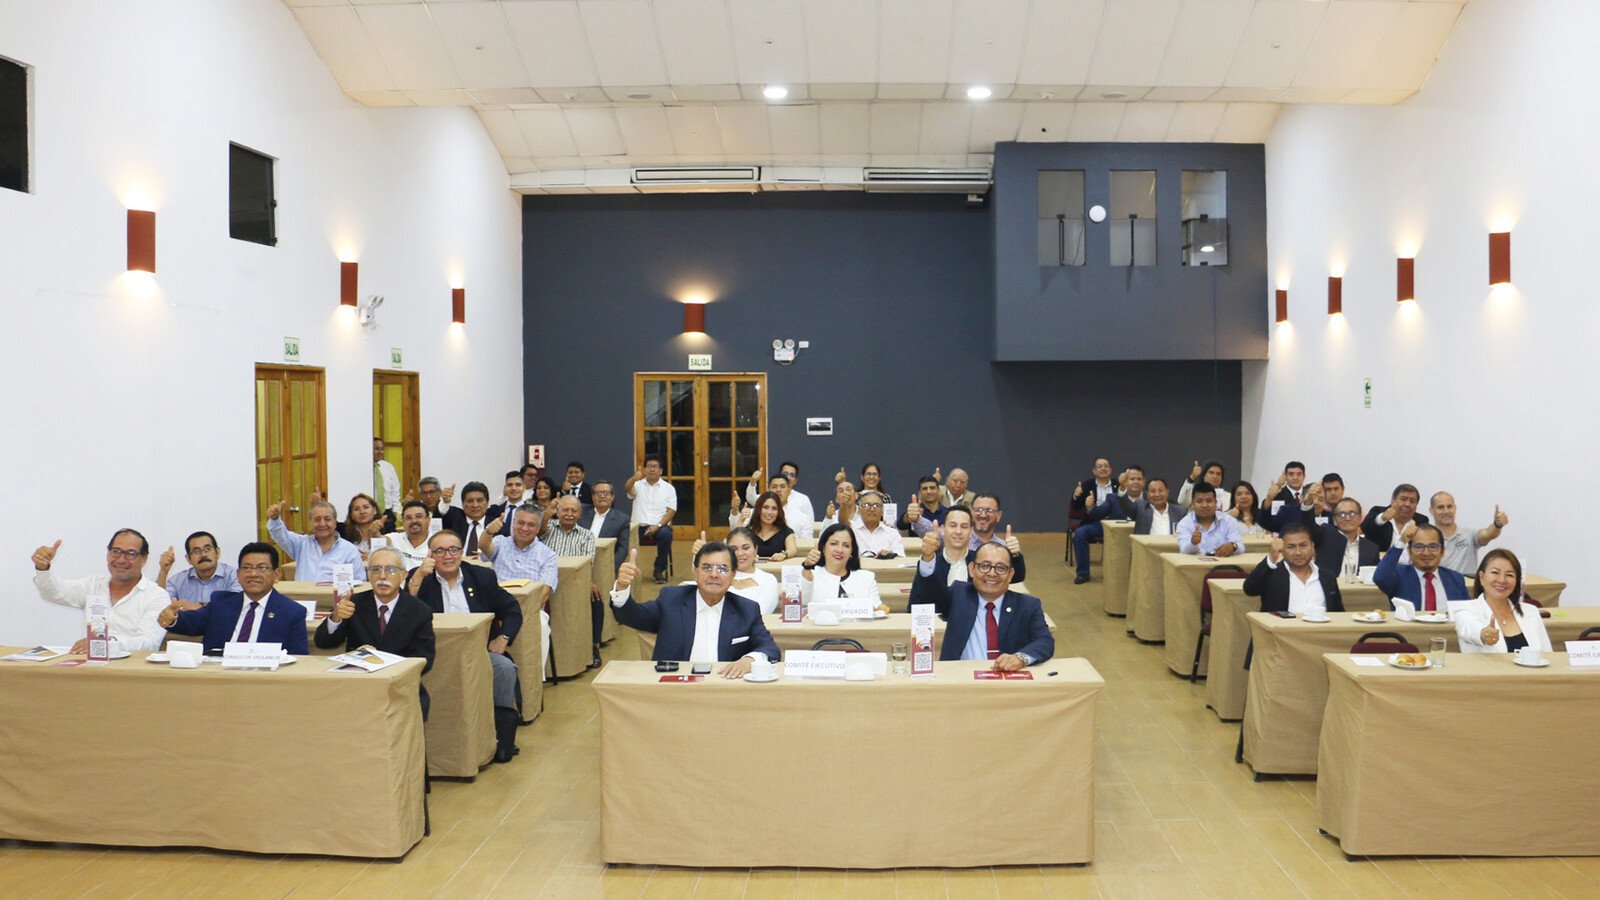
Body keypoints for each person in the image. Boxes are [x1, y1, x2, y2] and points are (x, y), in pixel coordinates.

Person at [411, 530, 524, 763]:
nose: (447, 556)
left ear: (461, 553)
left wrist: (502, 639)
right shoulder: (420, 578)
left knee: (503, 668)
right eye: (440, 551)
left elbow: (512, 609)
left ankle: (501, 736)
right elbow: (404, 611)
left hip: (476, 655)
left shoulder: (481, 577)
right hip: (432, 657)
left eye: (453, 550)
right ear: (430, 555)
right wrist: (418, 578)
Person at [609, 544, 779, 677]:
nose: (714, 574)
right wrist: (622, 588)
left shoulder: (747, 609)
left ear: (733, 575)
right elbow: (632, 616)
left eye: (722, 569)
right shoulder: (671, 600)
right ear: (695, 571)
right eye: (706, 568)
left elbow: (770, 648)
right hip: (674, 689)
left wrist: (750, 659)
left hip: (724, 689)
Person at [314, 546, 436, 717]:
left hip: (400, 689)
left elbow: (424, 659)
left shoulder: (419, 611)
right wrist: (336, 617)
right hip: (357, 687)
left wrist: (379, 663)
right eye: (376, 569)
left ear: (404, 575)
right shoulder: (353, 603)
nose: (383, 576)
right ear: (368, 575)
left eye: (391, 570)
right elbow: (323, 642)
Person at [917, 542, 1053, 669]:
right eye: (985, 566)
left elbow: (1045, 641)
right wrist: (927, 560)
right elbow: (931, 594)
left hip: (1006, 685)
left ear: (1010, 574)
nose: (992, 573)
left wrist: (1020, 658)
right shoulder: (958, 594)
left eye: (1001, 568)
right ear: (972, 569)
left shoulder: (1028, 605)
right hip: (961, 681)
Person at [31, 529, 170, 653]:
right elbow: (55, 593)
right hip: (92, 669)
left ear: (144, 559)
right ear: (108, 554)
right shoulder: (93, 585)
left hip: (131, 674)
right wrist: (42, 568)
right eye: (116, 551)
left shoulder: (157, 595)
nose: (121, 560)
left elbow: (149, 643)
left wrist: (107, 644)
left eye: (131, 554)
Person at [158, 542, 309, 655]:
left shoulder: (292, 612)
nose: (253, 574)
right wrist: (172, 618)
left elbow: (299, 658)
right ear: (238, 574)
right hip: (218, 679)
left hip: (264, 682)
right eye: (247, 568)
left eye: (262, 568)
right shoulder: (221, 603)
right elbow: (193, 622)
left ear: (276, 575)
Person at [481, 505, 558, 669]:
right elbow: (484, 547)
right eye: (520, 523)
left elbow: (544, 592)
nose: (524, 528)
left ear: (538, 528)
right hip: (496, 607)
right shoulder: (501, 542)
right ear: (513, 523)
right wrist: (488, 532)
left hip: (530, 609)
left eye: (531, 525)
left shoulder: (548, 555)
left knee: (542, 625)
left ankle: (535, 679)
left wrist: (518, 614)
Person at [1454, 549, 1550, 654]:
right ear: (1481, 577)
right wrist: (1483, 634)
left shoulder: (1531, 611)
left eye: (1509, 575)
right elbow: (1469, 628)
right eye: (1495, 572)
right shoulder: (1465, 609)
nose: (1502, 580)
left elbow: (1547, 655)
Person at [1241, 524, 1344, 615]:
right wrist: (1272, 558)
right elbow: (1249, 589)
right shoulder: (1272, 574)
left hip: (1321, 634)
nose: (1298, 552)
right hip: (1280, 635)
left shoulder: (1327, 577)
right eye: (1291, 547)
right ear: (1282, 549)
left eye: (1303, 545)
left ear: (1312, 547)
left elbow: (1338, 614)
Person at [1373, 522, 1470, 613]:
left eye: (1433, 547)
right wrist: (1402, 541)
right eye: (1419, 547)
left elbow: (1468, 612)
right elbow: (1379, 577)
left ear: (1442, 551)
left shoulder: (1456, 579)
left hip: (1447, 630)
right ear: (1409, 551)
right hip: (1410, 630)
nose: (1426, 553)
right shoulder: (1399, 575)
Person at [1073, 466, 1146, 583]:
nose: (1136, 482)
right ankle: (1083, 573)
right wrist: (1090, 507)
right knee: (1080, 532)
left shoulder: (1152, 497)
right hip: (1116, 532)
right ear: (1125, 481)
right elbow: (1099, 513)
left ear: (1144, 481)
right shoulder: (1113, 498)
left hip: (1142, 532)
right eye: (1132, 479)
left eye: (1139, 479)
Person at [266, 498, 366, 581]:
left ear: (335, 523)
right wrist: (275, 519)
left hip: (337, 602)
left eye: (327, 519)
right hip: (305, 602)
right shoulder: (301, 544)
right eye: (317, 520)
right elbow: (280, 535)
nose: (322, 524)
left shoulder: (349, 550)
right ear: (311, 523)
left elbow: (360, 581)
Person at [691, 526, 780, 614]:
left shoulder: (767, 580)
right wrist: (701, 556)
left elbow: (761, 612)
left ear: (755, 550)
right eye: (734, 549)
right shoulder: (716, 575)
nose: (740, 553)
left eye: (745, 548)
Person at [907, 506, 977, 615]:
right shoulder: (929, 564)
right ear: (943, 530)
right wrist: (927, 558)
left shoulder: (980, 564)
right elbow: (916, 606)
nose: (958, 531)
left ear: (971, 532)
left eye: (964, 526)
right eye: (953, 526)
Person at [799, 523, 882, 609]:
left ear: (851, 551)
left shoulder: (866, 578)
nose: (839, 550)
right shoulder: (811, 575)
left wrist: (881, 609)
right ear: (823, 548)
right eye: (834, 544)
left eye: (846, 545)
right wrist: (807, 567)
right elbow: (802, 603)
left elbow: (877, 608)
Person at [626, 455, 677, 584]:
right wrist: (633, 478)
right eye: (649, 466)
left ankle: (659, 569)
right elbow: (627, 489)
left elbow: (671, 511)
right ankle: (626, 570)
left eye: (655, 467)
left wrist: (658, 526)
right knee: (622, 535)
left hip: (658, 527)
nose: (652, 469)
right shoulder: (637, 485)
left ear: (661, 471)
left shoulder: (668, 488)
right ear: (644, 469)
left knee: (666, 534)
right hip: (638, 527)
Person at [156, 531, 241, 607]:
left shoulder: (236, 575)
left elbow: (235, 604)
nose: (203, 554)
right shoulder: (177, 581)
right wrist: (163, 571)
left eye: (207, 549)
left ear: (217, 553)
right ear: (188, 559)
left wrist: (198, 606)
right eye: (196, 551)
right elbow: (160, 605)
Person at [1431, 492, 1508, 574]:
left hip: (1467, 586)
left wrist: (1497, 525)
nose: (1446, 511)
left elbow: (1488, 534)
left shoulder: (1469, 533)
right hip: (1440, 586)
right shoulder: (1428, 539)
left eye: (1449, 506)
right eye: (1440, 507)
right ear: (1431, 511)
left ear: (1455, 508)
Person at [1310, 497, 1381, 577]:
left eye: (1352, 514)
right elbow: (1308, 525)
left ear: (1360, 518)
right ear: (1334, 520)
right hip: (1331, 589)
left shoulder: (1371, 548)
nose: (1347, 518)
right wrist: (1307, 504)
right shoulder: (1324, 538)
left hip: (1360, 589)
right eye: (1342, 514)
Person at [745, 462, 816, 539]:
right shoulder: (758, 508)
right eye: (774, 486)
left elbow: (807, 541)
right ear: (769, 488)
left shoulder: (802, 515)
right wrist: (753, 482)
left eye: (782, 487)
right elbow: (751, 498)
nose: (778, 490)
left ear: (789, 488)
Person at [968, 493, 1027, 581]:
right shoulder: (957, 542)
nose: (983, 515)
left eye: (989, 511)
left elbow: (1017, 577)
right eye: (978, 510)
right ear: (971, 513)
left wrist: (1015, 556)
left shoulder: (1005, 547)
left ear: (999, 516)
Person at [1176, 487, 1244, 556]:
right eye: (1199, 501)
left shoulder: (1229, 521)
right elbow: (1183, 549)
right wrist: (1193, 543)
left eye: (1209, 501)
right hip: (1195, 565)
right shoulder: (1184, 523)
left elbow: (1241, 547)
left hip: (1223, 565)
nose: (1205, 505)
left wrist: (1232, 546)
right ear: (1193, 504)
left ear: (1216, 502)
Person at [1361, 483, 1430, 551]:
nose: (1407, 504)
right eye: (1403, 499)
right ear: (1393, 500)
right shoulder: (1377, 511)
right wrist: (1382, 518)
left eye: (1412, 501)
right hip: (1381, 561)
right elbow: (1365, 528)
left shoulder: (1421, 520)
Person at [339, 493, 392, 561]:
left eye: (366, 507)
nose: (362, 512)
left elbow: (391, 551)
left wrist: (376, 534)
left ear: (375, 510)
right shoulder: (344, 532)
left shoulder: (387, 527)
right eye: (356, 509)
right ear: (351, 515)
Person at [746, 491, 796, 560]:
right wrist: (740, 520)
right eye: (765, 507)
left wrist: (784, 554)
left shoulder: (786, 532)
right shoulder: (747, 532)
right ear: (758, 509)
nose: (769, 512)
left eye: (774, 508)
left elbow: (793, 550)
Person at [852, 491, 903, 558]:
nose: (872, 509)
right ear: (859, 509)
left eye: (876, 505)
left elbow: (900, 559)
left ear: (882, 511)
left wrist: (891, 555)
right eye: (867, 505)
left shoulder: (892, 533)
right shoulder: (851, 530)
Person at [389, 500, 434, 570]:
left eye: (418, 516)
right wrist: (374, 533)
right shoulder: (395, 538)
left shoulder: (437, 541)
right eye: (409, 518)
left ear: (428, 520)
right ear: (403, 522)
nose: (414, 521)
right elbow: (380, 539)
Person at [487, 470, 527, 535]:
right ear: (505, 488)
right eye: (510, 485)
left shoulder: (532, 511)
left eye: (518, 485)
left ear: (524, 487)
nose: (513, 488)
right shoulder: (494, 511)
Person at [373, 437, 401, 525]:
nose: (380, 452)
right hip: (369, 513)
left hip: (388, 513)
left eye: (382, 449)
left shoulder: (388, 467)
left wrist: (395, 511)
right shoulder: (363, 468)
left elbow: (395, 490)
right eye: (377, 449)